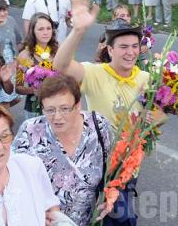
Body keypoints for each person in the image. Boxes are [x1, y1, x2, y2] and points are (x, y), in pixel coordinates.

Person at [13, 75, 113, 226]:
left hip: (88, 221)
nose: (57, 117)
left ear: (78, 105)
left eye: (65, 109)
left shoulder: (98, 126)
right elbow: (11, 177)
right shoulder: (30, 131)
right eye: (50, 110)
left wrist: (111, 196)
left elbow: (116, 168)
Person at [54, 0, 149, 128]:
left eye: (134, 46)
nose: (130, 52)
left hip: (137, 149)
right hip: (101, 149)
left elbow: (160, 116)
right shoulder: (94, 73)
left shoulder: (145, 78)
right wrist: (78, 31)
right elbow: (61, 66)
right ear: (110, 50)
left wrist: (153, 119)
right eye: (123, 47)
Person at [16, 13, 59, 118]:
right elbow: (18, 87)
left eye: (49, 28)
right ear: (33, 31)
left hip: (57, 107)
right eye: (40, 29)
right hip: (34, 108)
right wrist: (33, 90)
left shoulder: (59, 51)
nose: (46, 33)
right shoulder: (24, 56)